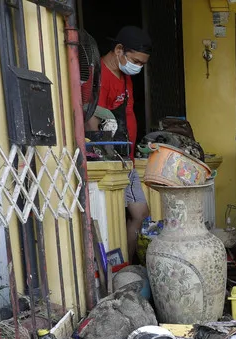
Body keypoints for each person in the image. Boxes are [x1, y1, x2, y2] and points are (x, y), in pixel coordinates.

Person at [92, 26, 152, 264]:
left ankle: (127, 264)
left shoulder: (125, 78)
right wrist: (103, 155)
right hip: (109, 160)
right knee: (126, 214)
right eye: (136, 61)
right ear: (119, 50)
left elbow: (127, 114)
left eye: (142, 64)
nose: (138, 67)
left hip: (125, 158)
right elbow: (91, 118)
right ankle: (122, 266)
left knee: (140, 213)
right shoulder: (99, 76)